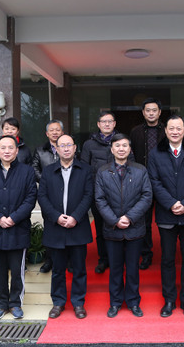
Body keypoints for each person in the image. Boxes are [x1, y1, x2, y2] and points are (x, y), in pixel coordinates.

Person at [147, 115, 184, 318]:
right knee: (167, 260)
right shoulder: (155, 153)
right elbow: (154, 182)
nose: (175, 132)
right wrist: (171, 203)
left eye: (178, 128)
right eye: (171, 128)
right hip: (166, 215)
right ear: (165, 130)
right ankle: (169, 300)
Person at [0, 135, 38, 320]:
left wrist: (13, 218)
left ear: (17, 150)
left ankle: (15, 304)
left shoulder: (27, 171)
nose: (7, 151)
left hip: (18, 229)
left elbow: (30, 198)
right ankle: (0, 304)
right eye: (3, 148)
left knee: (17, 270)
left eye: (10, 147)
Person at [95, 133, 153, 318]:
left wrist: (129, 217)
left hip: (135, 228)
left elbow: (147, 196)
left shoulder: (140, 170)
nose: (121, 149)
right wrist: (115, 220)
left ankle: (134, 302)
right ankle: (115, 302)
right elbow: (99, 199)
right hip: (112, 228)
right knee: (115, 268)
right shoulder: (103, 171)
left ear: (130, 149)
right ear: (112, 150)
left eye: (125, 146)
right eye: (117, 146)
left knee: (133, 269)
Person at [38, 134, 94, 320]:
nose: (66, 148)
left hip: (78, 226)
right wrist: (56, 217)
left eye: (69, 145)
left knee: (79, 269)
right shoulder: (48, 171)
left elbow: (88, 195)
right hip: (56, 227)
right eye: (62, 145)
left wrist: (75, 217)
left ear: (75, 148)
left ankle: (78, 303)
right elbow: (42, 197)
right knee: (58, 270)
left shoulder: (85, 170)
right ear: (56, 149)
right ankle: (58, 302)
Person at [81, 111, 121, 274]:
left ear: (114, 124)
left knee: (117, 227)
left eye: (110, 121)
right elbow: (84, 169)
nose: (107, 124)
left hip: (119, 194)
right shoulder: (89, 144)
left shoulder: (121, 141)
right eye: (103, 121)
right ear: (98, 124)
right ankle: (103, 259)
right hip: (97, 194)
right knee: (100, 229)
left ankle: (118, 259)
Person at [129, 97, 166, 270]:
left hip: (164, 181)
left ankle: (167, 253)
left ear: (159, 112)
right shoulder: (135, 132)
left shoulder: (167, 130)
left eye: (154, 110)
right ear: (143, 113)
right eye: (148, 110)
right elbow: (131, 156)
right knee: (144, 220)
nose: (151, 113)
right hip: (142, 181)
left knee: (166, 219)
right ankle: (146, 254)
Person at [32, 119, 64, 274]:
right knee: (50, 227)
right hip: (47, 194)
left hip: (67, 193)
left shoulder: (68, 148)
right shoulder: (40, 150)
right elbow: (34, 168)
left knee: (67, 226)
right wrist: (47, 181)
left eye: (57, 130)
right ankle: (49, 260)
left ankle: (68, 260)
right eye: (52, 130)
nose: (55, 132)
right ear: (47, 133)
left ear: (62, 132)